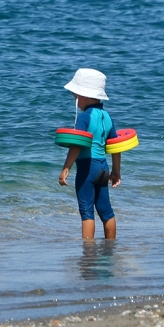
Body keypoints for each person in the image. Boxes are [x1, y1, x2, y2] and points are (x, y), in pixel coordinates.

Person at [57, 68, 122, 240]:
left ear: (83, 95)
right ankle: (111, 244)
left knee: (86, 212)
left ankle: (88, 252)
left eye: (75, 95)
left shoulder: (84, 117)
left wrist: (66, 168)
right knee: (105, 210)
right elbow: (115, 146)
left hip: (87, 168)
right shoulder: (107, 116)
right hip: (103, 167)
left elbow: (77, 145)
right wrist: (116, 171)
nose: (75, 99)